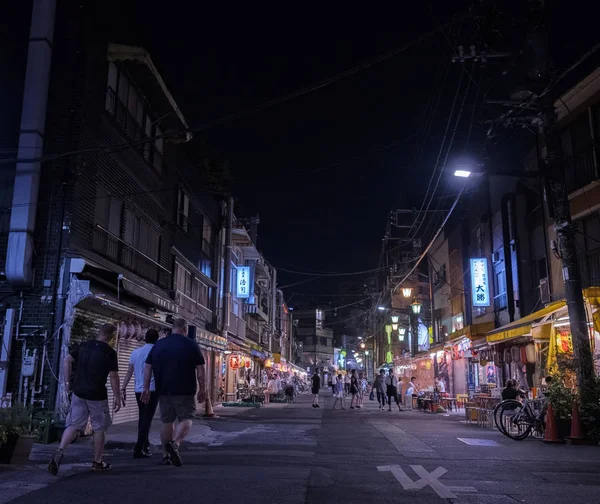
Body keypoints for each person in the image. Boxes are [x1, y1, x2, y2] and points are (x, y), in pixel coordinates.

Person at [48, 324, 120, 474]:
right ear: (111, 336)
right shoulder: (110, 352)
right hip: (97, 395)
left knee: (74, 425)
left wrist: (68, 383)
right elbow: (113, 376)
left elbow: (67, 361)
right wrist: (118, 396)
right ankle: (97, 462)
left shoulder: (83, 346)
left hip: (79, 392)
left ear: (99, 332)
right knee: (99, 428)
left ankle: (60, 451)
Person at [143, 318, 206, 467]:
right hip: (185, 390)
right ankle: (175, 444)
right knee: (186, 418)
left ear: (172, 329)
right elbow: (200, 369)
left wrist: (146, 387)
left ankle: (165, 455)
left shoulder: (159, 345)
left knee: (167, 422)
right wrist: (203, 388)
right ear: (185, 330)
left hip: (163, 390)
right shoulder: (191, 344)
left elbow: (148, 366)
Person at [121, 329, 160, 459]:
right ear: (157, 339)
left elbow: (129, 372)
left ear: (145, 338)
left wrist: (123, 388)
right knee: (147, 418)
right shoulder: (157, 351)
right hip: (152, 389)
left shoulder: (135, 352)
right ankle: (139, 447)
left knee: (143, 417)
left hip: (138, 390)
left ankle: (145, 445)